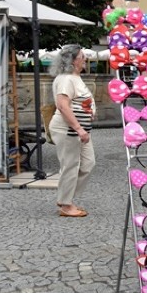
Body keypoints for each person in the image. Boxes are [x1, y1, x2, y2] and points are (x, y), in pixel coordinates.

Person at [48, 44, 96, 216]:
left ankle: (65, 198)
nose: (85, 60)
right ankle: (66, 204)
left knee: (88, 164)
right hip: (68, 129)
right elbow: (62, 105)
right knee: (70, 165)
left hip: (79, 130)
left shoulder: (75, 77)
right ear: (74, 60)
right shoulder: (66, 79)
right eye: (82, 57)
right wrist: (78, 128)